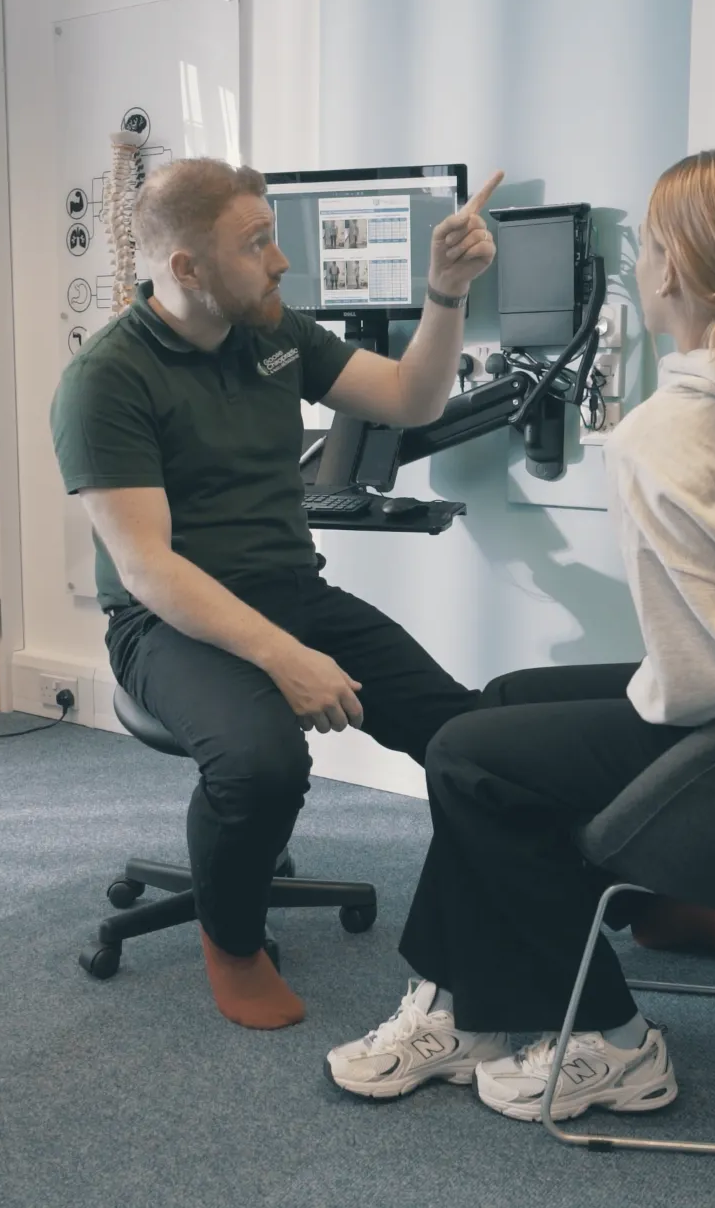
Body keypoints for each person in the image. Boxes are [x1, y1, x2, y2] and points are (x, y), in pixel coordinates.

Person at [325, 148, 715, 1124]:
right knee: (503, 705)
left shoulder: (668, 434)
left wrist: (641, 704)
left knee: (471, 759)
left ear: (670, 267)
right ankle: (466, 1004)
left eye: (647, 247)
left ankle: (613, 1040)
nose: (642, 265)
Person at [50, 157, 503, 1031]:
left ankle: (601, 896)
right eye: (257, 243)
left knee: (467, 734)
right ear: (187, 267)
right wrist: (285, 657)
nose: (282, 261)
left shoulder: (274, 334)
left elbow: (411, 398)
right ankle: (232, 941)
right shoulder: (107, 379)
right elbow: (147, 569)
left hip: (290, 591)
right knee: (262, 765)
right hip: (165, 623)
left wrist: (445, 292)